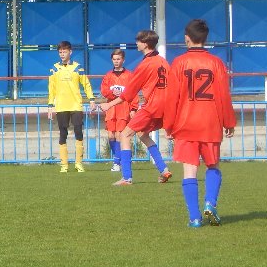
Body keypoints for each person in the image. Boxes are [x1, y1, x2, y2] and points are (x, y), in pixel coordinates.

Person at [163, 19, 237, 228]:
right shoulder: (216, 63)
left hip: (186, 123)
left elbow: (172, 97)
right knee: (213, 165)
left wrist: (169, 124)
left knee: (189, 170)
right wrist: (229, 121)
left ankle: (195, 218)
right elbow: (223, 95)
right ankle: (210, 203)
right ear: (205, 38)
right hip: (210, 123)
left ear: (187, 38)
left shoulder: (179, 63)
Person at [99, 29, 173, 186]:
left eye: (138, 41)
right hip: (166, 105)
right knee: (143, 134)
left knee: (125, 135)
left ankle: (127, 177)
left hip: (152, 106)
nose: (137, 43)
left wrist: (109, 104)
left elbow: (129, 92)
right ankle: (164, 169)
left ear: (145, 44)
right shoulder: (163, 62)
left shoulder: (146, 64)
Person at [46, 40, 94, 173]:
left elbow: (86, 84)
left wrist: (91, 99)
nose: (62, 54)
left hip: (76, 104)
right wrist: (50, 105)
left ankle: (79, 163)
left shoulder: (78, 67)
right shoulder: (54, 68)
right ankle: (64, 164)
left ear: (70, 52)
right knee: (63, 133)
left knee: (78, 131)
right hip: (61, 106)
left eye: (64, 52)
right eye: (60, 52)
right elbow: (51, 88)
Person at [99, 48, 134, 173]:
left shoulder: (129, 75)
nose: (116, 61)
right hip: (111, 108)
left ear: (123, 60)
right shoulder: (108, 75)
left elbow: (133, 92)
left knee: (119, 135)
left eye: (118, 59)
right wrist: (112, 92)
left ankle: (116, 162)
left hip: (123, 108)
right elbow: (104, 90)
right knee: (111, 135)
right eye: (114, 59)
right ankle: (119, 157)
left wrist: (133, 108)